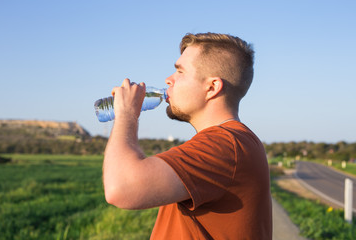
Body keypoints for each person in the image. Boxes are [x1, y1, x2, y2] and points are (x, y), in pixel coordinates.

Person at [103, 32, 272, 239]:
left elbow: (121, 188)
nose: (168, 79)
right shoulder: (235, 141)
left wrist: (127, 114)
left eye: (180, 71)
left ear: (212, 88)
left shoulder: (224, 145)